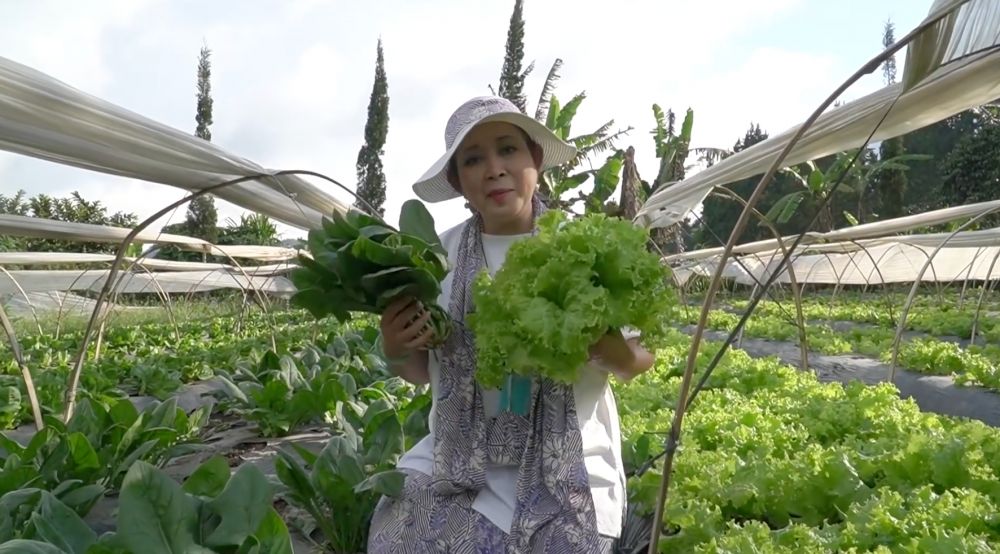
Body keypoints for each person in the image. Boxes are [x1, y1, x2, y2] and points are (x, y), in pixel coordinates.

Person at [368, 96, 655, 553]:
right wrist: (397, 346)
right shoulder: (433, 259)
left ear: (535, 161)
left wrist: (605, 347)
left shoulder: (585, 245)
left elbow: (637, 363)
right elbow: (422, 372)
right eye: (474, 159)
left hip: (567, 464)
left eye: (508, 150)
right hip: (457, 460)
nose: (494, 169)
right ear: (458, 181)